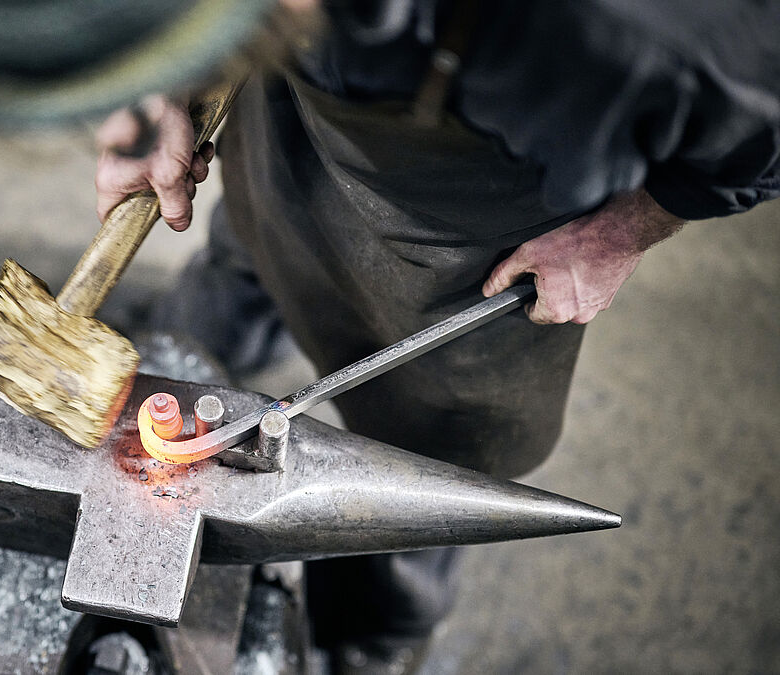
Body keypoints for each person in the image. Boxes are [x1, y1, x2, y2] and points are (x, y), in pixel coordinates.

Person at [94, 1, 780, 671]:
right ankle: (182, 357)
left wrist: (625, 229)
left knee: (433, 454)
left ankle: (374, 630)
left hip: (476, 242)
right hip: (295, 125)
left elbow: (759, 139)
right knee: (249, 255)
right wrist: (166, 72)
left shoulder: (652, 30)